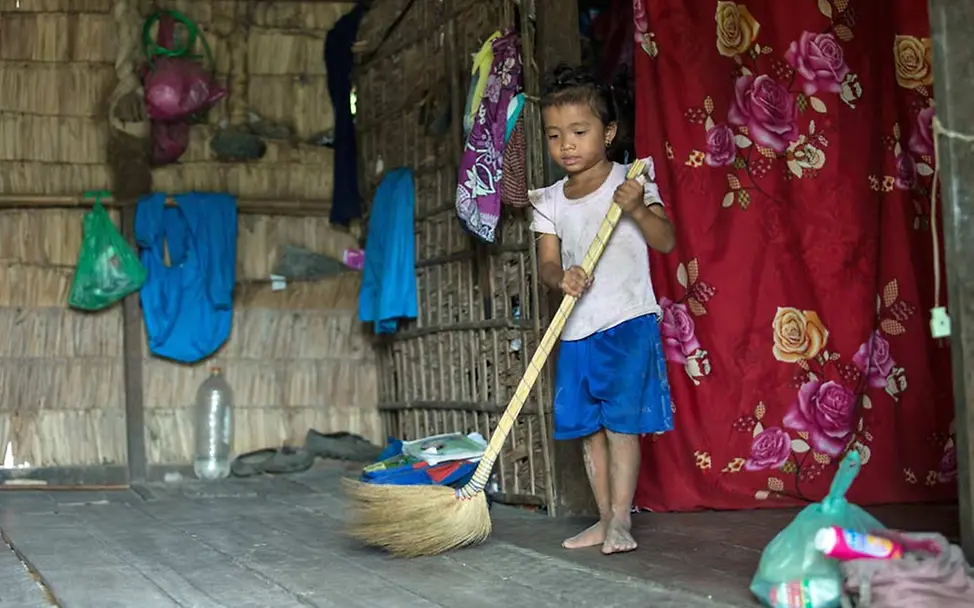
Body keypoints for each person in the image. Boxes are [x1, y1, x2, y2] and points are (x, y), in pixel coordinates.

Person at [528, 64, 676, 555]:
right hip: (576, 330)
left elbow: (666, 239)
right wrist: (561, 278)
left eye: (578, 131)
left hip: (627, 321)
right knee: (588, 430)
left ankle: (621, 522)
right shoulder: (549, 201)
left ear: (608, 133)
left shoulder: (631, 180)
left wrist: (635, 208)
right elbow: (547, 265)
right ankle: (603, 517)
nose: (566, 144)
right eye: (555, 135)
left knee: (621, 426)